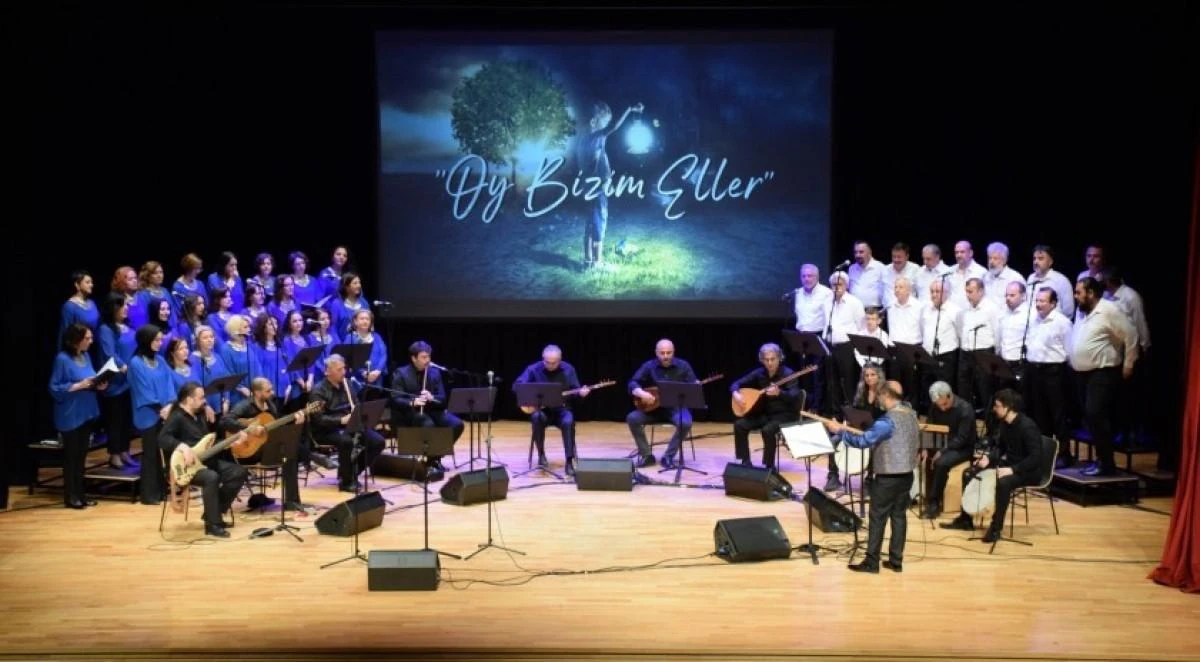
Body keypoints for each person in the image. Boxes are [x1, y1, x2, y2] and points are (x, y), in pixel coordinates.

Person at [822, 380, 918, 573]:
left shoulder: (887, 421)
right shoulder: (912, 415)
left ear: (886, 395)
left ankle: (871, 562)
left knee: (877, 518)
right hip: (907, 474)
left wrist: (841, 431)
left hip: (888, 477)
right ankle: (896, 561)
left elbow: (864, 441)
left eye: (880, 397)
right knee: (899, 517)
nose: (879, 402)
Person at [940, 389, 1043, 543]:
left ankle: (996, 528)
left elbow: (1036, 458)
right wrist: (988, 459)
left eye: (997, 406)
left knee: (1003, 483)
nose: (994, 409)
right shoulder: (1004, 424)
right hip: (1009, 465)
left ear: (1008, 407)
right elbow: (1000, 448)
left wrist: (1012, 469)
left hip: (1028, 470)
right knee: (969, 473)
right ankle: (965, 519)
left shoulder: (1027, 427)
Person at [159, 382, 249, 538]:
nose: (205, 401)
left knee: (238, 472)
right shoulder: (176, 417)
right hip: (185, 466)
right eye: (201, 398)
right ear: (189, 400)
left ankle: (212, 513)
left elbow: (209, 442)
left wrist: (231, 443)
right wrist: (181, 446)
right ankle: (213, 525)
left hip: (206, 461)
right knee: (211, 477)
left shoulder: (200, 414)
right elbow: (162, 439)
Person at [1068, 277, 1138, 476]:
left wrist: (1129, 363)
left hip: (1103, 372)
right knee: (1090, 418)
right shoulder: (1082, 312)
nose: (1075, 296)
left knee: (1095, 414)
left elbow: (1131, 335)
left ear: (1091, 293)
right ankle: (1101, 459)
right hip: (1082, 374)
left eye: (1079, 292)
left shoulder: (1109, 310)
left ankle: (1107, 463)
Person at [218, 377, 317, 511]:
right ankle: (315, 459)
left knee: (290, 451)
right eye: (268, 391)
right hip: (248, 451)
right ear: (257, 393)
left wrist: (295, 420)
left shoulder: (270, 405)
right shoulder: (245, 405)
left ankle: (292, 501)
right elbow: (225, 421)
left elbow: (277, 425)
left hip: (265, 447)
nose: (272, 393)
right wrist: (249, 428)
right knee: (288, 451)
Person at [579, 100, 643, 270]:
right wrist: (629, 108)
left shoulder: (584, 141)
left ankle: (588, 261)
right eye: (604, 122)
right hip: (597, 189)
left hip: (589, 187)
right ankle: (598, 262)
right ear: (593, 122)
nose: (606, 126)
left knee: (591, 222)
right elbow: (614, 127)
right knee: (600, 220)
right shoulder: (596, 137)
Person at [49, 323, 106, 509]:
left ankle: (81, 494)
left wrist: (97, 385)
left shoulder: (86, 356)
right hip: (70, 414)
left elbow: (89, 378)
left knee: (82, 457)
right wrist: (78, 386)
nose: (91, 341)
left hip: (86, 412)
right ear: (76, 341)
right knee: (72, 457)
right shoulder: (62, 359)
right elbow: (54, 387)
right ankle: (70, 496)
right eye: (87, 338)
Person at [309, 354, 386, 491]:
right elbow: (319, 420)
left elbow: (356, 405)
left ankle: (351, 472)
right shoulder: (318, 391)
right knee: (346, 442)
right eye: (339, 370)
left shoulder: (347, 384)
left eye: (343, 369)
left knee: (378, 442)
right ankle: (346, 482)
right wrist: (341, 420)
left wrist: (358, 415)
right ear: (327, 371)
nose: (343, 372)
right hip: (327, 430)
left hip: (349, 425)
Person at [389, 341, 463, 482]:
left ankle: (433, 458)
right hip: (409, 412)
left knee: (456, 424)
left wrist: (432, 397)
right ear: (413, 358)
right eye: (423, 357)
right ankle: (431, 461)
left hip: (432, 409)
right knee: (427, 424)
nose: (427, 360)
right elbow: (395, 399)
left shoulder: (434, 373)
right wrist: (413, 402)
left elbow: (442, 398)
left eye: (428, 357)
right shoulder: (401, 373)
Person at [513, 345, 590, 474]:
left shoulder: (568, 369)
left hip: (562, 410)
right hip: (542, 411)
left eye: (553, 363)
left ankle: (569, 461)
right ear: (543, 359)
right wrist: (530, 395)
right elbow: (516, 386)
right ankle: (541, 455)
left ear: (560, 360)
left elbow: (576, 390)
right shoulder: (533, 369)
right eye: (547, 362)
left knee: (568, 421)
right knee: (536, 417)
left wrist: (581, 393)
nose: (550, 365)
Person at [627, 339, 698, 469]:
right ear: (656, 353)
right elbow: (633, 382)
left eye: (669, 353)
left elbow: (693, 385)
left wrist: (695, 386)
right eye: (662, 353)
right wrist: (641, 393)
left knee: (686, 422)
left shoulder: (684, 366)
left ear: (674, 352)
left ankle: (668, 456)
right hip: (653, 410)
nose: (665, 356)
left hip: (675, 409)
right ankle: (647, 455)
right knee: (632, 418)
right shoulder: (649, 366)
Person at [730, 343, 801, 472]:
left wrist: (780, 393)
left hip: (785, 415)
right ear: (762, 360)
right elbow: (735, 384)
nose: (769, 363)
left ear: (779, 358)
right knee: (739, 425)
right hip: (766, 414)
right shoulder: (760, 373)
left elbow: (795, 397)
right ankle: (744, 462)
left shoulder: (788, 374)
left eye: (773, 359)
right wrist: (735, 393)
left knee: (767, 430)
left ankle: (768, 467)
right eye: (766, 360)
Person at [920, 381, 979, 519]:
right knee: (922, 455)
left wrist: (942, 451)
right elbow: (929, 428)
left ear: (949, 395)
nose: (943, 408)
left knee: (941, 463)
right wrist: (925, 448)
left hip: (962, 448)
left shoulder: (965, 409)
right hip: (942, 443)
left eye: (945, 404)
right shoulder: (936, 406)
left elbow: (962, 438)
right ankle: (924, 496)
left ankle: (934, 503)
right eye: (939, 406)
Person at [826, 363, 887, 492]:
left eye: (872, 375)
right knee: (834, 441)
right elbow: (855, 413)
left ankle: (869, 480)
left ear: (879, 376)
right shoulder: (861, 391)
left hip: (876, 433)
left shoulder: (885, 394)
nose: (869, 378)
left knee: (872, 445)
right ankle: (833, 476)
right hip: (858, 430)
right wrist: (845, 423)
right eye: (866, 375)